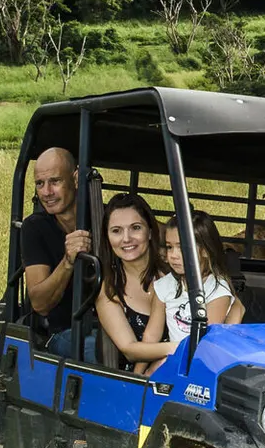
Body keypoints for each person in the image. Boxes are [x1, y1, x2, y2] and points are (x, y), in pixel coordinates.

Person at [19, 147, 94, 358]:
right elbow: (39, 304)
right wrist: (68, 261)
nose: (46, 192)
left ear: (76, 179)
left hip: (110, 326)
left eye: (55, 181)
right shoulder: (35, 228)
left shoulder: (101, 217)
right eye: (40, 184)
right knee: (99, 351)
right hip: (61, 331)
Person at [94, 192, 176, 374]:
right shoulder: (108, 288)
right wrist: (181, 349)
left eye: (136, 228)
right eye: (116, 231)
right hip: (131, 383)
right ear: (107, 237)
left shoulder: (175, 274)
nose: (126, 238)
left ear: (150, 232)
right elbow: (130, 349)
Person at [156, 211, 244, 339]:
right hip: (173, 355)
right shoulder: (165, 285)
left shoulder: (217, 290)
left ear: (205, 250)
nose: (173, 255)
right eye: (169, 247)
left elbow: (204, 342)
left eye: (182, 248)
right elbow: (151, 336)